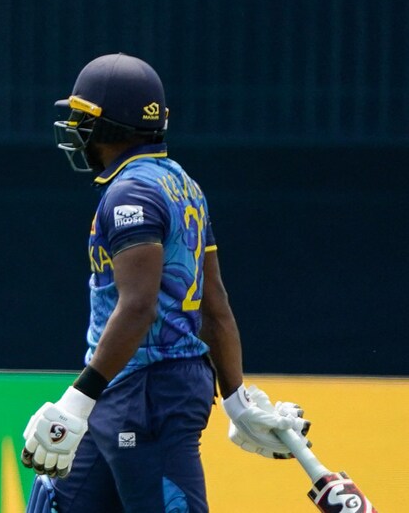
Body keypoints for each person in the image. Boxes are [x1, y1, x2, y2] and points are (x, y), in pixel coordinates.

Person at [19, 53, 311, 512]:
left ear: (111, 125)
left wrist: (77, 400)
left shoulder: (129, 193)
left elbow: (139, 306)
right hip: (132, 387)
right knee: (54, 501)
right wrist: (234, 398)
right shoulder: (182, 184)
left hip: (148, 390)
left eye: (83, 115)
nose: (74, 127)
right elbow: (215, 303)